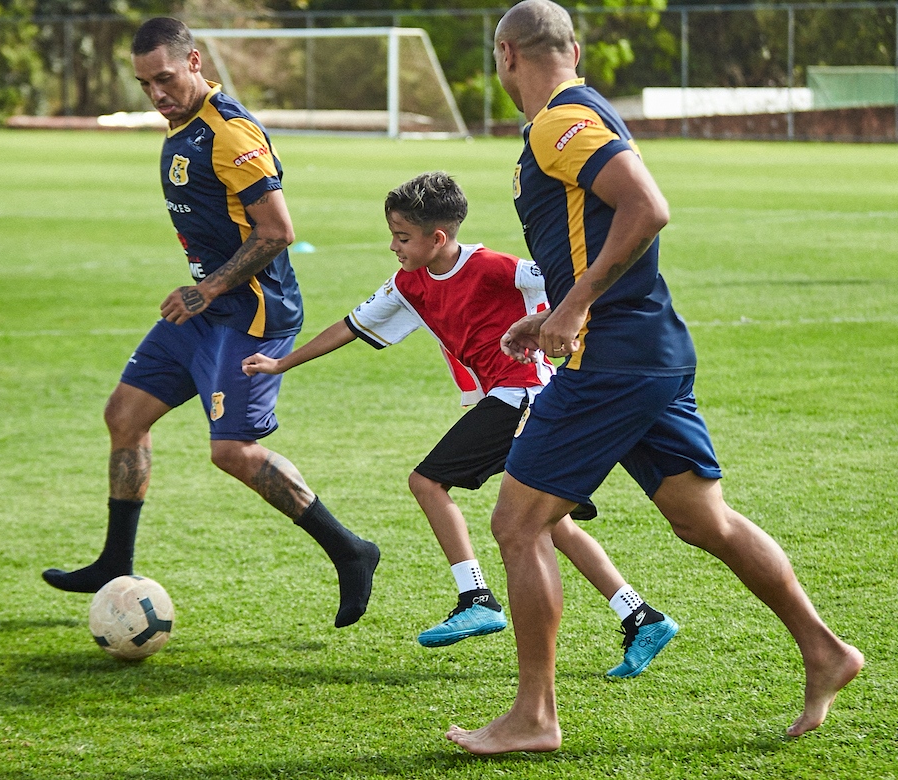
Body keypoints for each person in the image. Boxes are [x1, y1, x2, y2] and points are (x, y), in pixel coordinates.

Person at [445, 0, 864, 755]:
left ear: (507, 54)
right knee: (705, 521)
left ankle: (535, 718)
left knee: (517, 524)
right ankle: (826, 650)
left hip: (612, 358)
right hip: (650, 348)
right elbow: (599, 232)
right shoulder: (582, 111)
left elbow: (647, 207)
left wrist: (573, 305)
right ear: (573, 47)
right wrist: (548, 317)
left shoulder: (557, 121)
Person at [243, 171, 679, 677]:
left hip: (525, 394)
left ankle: (476, 595)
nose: (393, 246)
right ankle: (641, 617)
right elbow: (350, 326)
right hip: (504, 399)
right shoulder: (409, 283)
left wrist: (572, 321)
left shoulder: (497, 268)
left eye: (402, 238)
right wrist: (281, 364)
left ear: (438, 238)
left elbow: (572, 282)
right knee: (548, 522)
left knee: (427, 480)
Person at [40, 17, 380, 629]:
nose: (157, 94)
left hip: (250, 314)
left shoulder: (231, 133)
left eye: (165, 79)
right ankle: (116, 561)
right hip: (204, 310)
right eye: (145, 85)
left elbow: (278, 232)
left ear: (194, 62)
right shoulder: (184, 128)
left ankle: (350, 550)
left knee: (232, 451)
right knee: (124, 415)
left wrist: (210, 288)